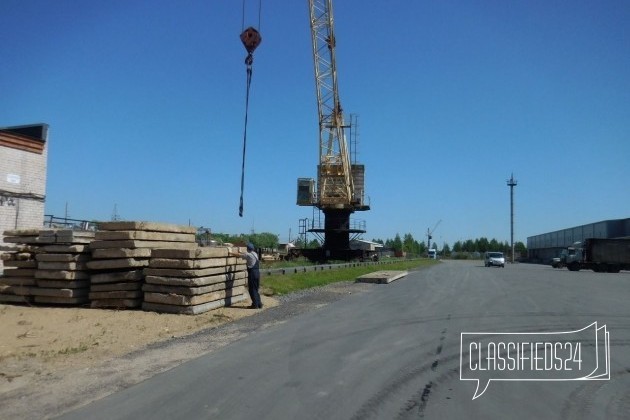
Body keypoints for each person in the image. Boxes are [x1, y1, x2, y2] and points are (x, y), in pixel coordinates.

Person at [231, 243, 263, 309]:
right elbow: (245, 253)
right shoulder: (255, 254)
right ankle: (259, 304)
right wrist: (240, 251)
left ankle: (255, 305)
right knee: (256, 289)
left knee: (252, 289)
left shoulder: (248, 255)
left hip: (252, 273)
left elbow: (238, 255)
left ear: (247, 248)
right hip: (257, 273)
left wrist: (230, 252)